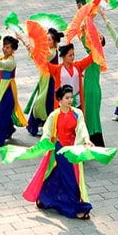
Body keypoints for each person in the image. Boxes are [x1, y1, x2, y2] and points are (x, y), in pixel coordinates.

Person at [22, 85, 94, 219]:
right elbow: (47, 132)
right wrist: (42, 144)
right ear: (60, 99)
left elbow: (82, 127)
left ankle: (44, 198)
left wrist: (86, 139)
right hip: (59, 150)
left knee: (63, 178)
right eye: (67, 98)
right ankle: (75, 208)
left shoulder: (77, 113)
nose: (70, 100)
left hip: (72, 150)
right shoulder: (54, 115)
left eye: (71, 97)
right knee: (69, 180)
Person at [23, 27, 62, 136]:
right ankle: (38, 125)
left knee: (45, 102)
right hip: (45, 79)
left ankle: (42, 125)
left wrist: (30, 46)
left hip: (51, 80)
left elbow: (40, 56)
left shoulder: (52, 52)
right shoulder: (49, 50)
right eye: (46, 39)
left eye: (49, 40)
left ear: (54, 41)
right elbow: (38, 55)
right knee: (42, 101)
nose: (47, 41)